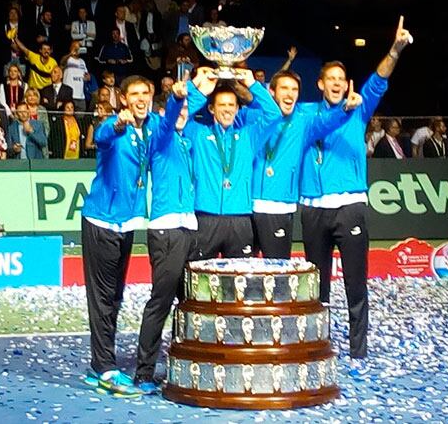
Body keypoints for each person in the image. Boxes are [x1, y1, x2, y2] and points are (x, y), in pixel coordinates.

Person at [298, 16, 412, 377]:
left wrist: (394, 49)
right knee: (317, 286)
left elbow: (379, 79)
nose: (335, 85)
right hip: (313, 208)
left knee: (355, 282)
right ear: (320, 85)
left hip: (349, 207)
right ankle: (319, 343)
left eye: (340, 81)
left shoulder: (359, 108)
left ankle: (358, 349)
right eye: (329, 80)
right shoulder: (303, 113)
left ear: (346, 84)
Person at [80, 75, 181, 396]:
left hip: (126, 225)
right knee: (102, 299)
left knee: (115, 296)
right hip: (102, 222)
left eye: (145, 93)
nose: (140, 99)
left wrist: (178, 97)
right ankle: (104, 368)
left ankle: (102, 364)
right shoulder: (116, 125)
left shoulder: (152, 125)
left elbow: (168, 129)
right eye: (134, 94)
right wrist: (118, 122)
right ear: (123, 99)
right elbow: (102, 136)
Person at [249, 70, 359, 258]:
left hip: (278, 206)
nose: (290, 93)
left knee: (278, 275)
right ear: (272, 92)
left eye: (294, 89)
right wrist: (244, 82)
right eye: (284, 88)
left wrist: (344, 110)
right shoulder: (252, 117)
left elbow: (326, 122)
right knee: (242, 274)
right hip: (244, 207)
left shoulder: (303, 122)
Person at [134, 79, 195, 395]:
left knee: (185, 300)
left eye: (187, 108)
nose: (184, 112)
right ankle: (144, 371)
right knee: (161, 299)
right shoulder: (161, 134)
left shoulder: (186, 140)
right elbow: (171, 117)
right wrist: (176, 98)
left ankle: (178, 364)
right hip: (166, 228)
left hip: (187, 227)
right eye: (179, 109)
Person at [184, 67, 282, 258]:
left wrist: (253, 84)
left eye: (231, 105)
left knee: (239, 282)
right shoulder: (198, 134)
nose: (227, 109)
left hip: (240, 219)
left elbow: (274, 114)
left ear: (238, 109)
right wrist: (199, 88)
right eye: (222, 105)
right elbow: (179, 115)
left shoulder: (248, 136)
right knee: (201, 281)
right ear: (211, 108)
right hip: (205, 217)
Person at [61, 41, 92, 112]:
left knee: (81, 120)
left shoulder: (82, 61)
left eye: (79, 47)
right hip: (69, 96)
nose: (77, 49)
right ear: (71, 48)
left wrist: (87, 78)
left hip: (81, 96)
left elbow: (86, 75)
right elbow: (62, 63)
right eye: (75, 47)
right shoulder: (67, 59)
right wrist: (70, 54)